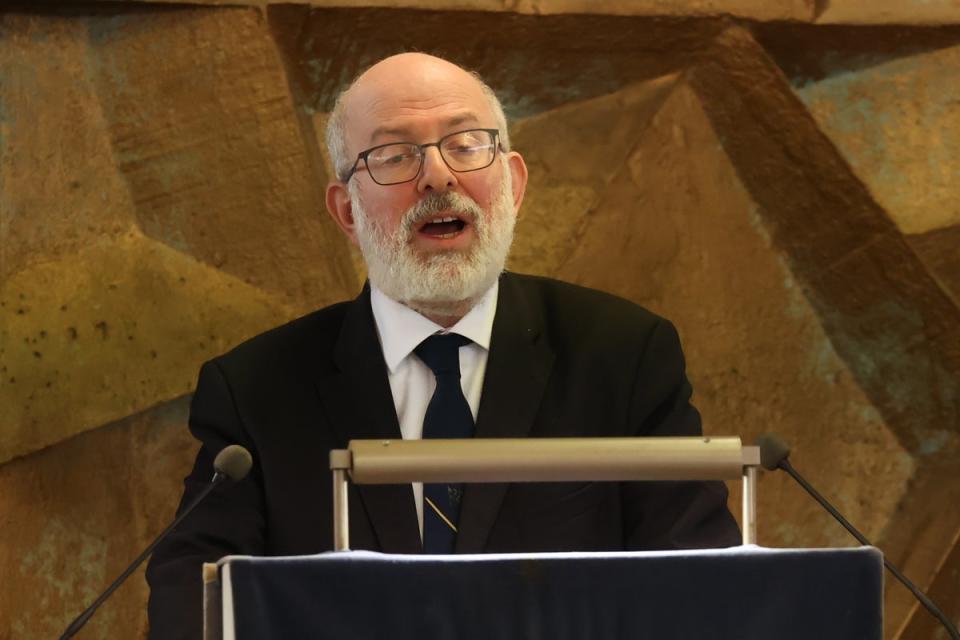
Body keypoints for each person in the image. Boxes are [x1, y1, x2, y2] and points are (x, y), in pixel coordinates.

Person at [145, 52, 739, 639]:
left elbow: (703, 587)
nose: (438, 176)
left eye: (465, 144)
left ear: (514, 183)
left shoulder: (623, 354)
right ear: (347, 211)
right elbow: (191, 599)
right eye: (395, 155)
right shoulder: (256, 388)